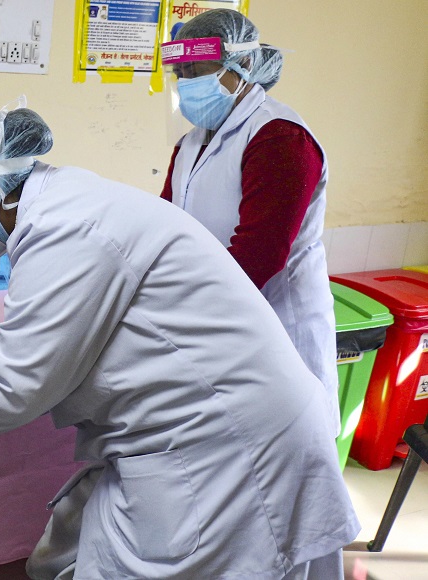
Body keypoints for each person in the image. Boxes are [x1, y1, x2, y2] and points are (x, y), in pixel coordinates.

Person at [0, 105, 360, 579]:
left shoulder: (69, 231)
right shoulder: (66, 204)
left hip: (225, 448)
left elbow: (12, 390)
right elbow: (23, 366)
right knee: (62, 555)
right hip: (204, 427)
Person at [160, 9, 339, 435]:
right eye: (179, 73)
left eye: (196, 70)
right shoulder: (191, 142)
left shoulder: (280, 138)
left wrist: (176, 306)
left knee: (280, 460)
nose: (186, 84)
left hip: (274, 329)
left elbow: (259, 255)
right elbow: (163, 222)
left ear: (236, 69)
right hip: (215, 323)